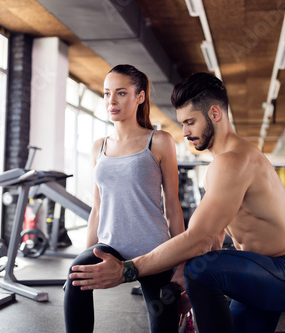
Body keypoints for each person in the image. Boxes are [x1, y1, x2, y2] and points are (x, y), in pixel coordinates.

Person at [69, 72, 285, 333]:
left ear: (215, 113)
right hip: (259, 273)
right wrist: (187, 286)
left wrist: (128, 269)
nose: (184, 132)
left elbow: (198, 239)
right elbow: (217, 232)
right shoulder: (222, 162)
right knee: (207, 282)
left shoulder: (234, 161)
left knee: (201, 268)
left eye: (190, 122)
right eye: (182, 123)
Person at [63, 64, 186, 333]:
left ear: (139, 96)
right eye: (107, 94)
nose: (111, 101)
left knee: (163, 323)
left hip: (154, 251)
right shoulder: (100, 146)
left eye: (120, 93)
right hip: (110, 246)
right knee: (76, 276)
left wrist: (181, 266)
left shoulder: (160, 141)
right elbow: (97, 208)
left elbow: (173, 208)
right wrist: (87, 256)